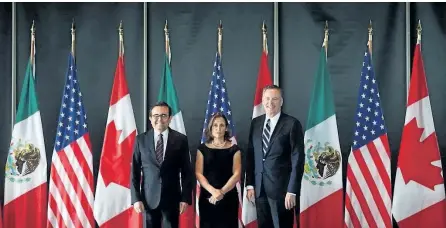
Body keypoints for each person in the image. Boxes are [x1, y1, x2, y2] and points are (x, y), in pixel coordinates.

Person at [245, 85, 305, 228]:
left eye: (275, 99)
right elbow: (251, 154)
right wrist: (250, 184)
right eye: (267, 99)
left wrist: (292, 190)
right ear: (262, 100)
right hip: (260, 190)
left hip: (282, 192)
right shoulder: (256, 123)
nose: (270, 103)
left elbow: (298, 159)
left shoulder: (292, 124)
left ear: (281, 101)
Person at [130, 101, 193, 228]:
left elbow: (187, 171)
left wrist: (185, 198)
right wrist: (136, 199)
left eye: (164, 116)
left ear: (170, 118)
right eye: (156, 116)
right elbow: (134, 172)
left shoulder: (181, 139)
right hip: (148, 199)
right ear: (150, 118)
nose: (160, 119)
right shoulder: (141, 140)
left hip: (172, 199)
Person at [195, 112, 242, 228]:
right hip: (208, 197)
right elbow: (198, 173)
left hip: (228, 197)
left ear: (226, 128)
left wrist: (221, 192)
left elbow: (237, 174)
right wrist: (213, 191)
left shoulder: (234, 149)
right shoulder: (202, 149)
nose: (218, 128)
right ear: (210, 128)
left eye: (222, 125)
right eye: (215, 125)